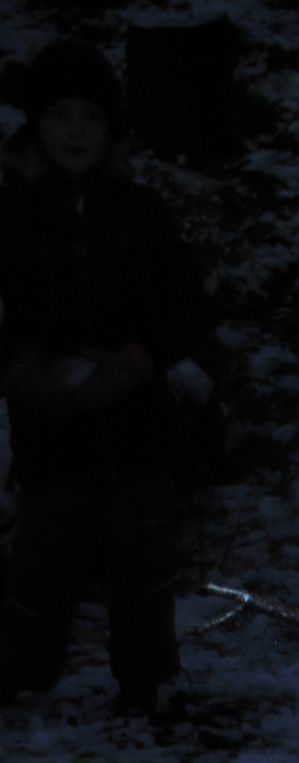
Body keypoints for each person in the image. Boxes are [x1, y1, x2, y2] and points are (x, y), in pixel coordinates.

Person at [0, 39, 214, 716]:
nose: (74, 131)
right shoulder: (13, 215)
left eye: (88, 117)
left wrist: (139, 360)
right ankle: (19, 674)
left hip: (137, 423)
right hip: (49, 427)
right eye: (58, 115)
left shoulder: (142, 211)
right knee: (41, 559)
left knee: (142, 560)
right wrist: (28, 370)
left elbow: (188, 306)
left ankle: (142, 682)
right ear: (34, 126)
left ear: (111, 129)